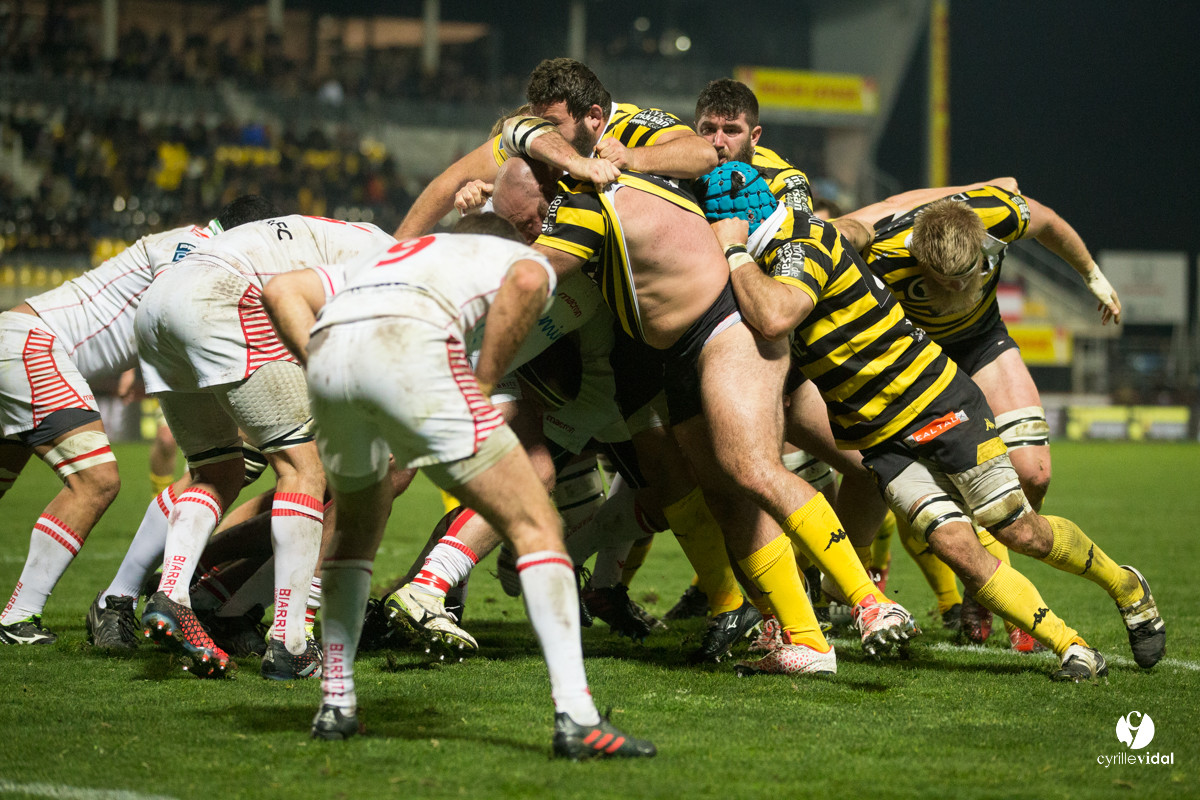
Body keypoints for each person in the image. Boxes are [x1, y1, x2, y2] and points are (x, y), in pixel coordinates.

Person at [707, 161, 1164, 680]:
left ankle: (1126, 585)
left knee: (1022, 532)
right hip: (880, 435)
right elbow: (869, 221)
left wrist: (732, 249)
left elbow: (773, 315)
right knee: (955, 545)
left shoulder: (794, 248)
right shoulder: (853, 242)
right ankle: (1072, 646)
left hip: (936, 398)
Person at [267, 212, 656, 758]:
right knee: (536, 523)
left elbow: (280, 289)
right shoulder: (512, 256)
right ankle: (577, 718)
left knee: (355, 533)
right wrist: (485, 382)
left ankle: (337, 703)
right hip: (418, 353)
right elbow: (524, 282)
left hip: (334, 364)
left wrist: (321, 364)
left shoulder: (389, 255)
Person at [840, 180, 1123, 646]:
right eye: (943, 280)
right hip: (916, 360)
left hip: (980, 344)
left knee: (1032, 475)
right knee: (897, 478)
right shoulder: (882, 253)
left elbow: (1049, 220)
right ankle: (973, 581)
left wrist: (1092, 274)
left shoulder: (998, 215)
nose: (957, 288)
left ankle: (980, 582)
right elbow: (847, 231)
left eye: (965, 275)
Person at [0, 197, 274, 646]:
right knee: (97, 482)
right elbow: (177, 311)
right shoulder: (195, 246)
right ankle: (17, 617)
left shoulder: (189, 243)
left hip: (18, 342)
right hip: (33, 346)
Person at [134, 214, 394, 678]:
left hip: (158, 306)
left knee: (216, 471)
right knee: (304, 469)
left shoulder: (347, 239)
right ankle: (291, 642)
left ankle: (172, 594)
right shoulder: (399, 266)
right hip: (223, 296)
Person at [394, 57, 716, 238]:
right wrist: (392, 252)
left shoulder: (633, 125)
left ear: (593, 117)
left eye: (552, 123)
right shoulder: (537, 137)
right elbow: (451, 182)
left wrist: (632, 156)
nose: (542, 133)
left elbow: (703, 154)